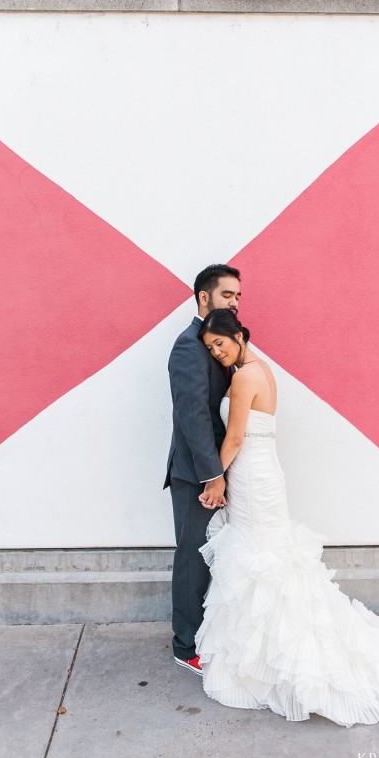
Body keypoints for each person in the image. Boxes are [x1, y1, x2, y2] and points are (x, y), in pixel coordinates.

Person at [194, 308, 379, 725]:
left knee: (261, 560)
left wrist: (214, 480)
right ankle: (270, 654)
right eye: (210, 348)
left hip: (253, 477)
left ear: (238, 333)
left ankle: (276, 661)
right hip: (263, 473)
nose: (217, 352)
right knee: (269, 558)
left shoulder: (242, 377)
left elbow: (235, 435)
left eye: (220, 342)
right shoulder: (265, 370)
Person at [164, 265, 241, 675]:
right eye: (227, 295)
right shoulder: (188, 347)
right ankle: (184, 645)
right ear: (203, 297)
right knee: (193, 559)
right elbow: (193, 416)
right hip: (197, 474)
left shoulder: (217, 344)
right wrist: (213, 475)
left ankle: (206, 634)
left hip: (216, 472)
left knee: (211, 557)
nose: (234, 302)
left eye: (238, 297)